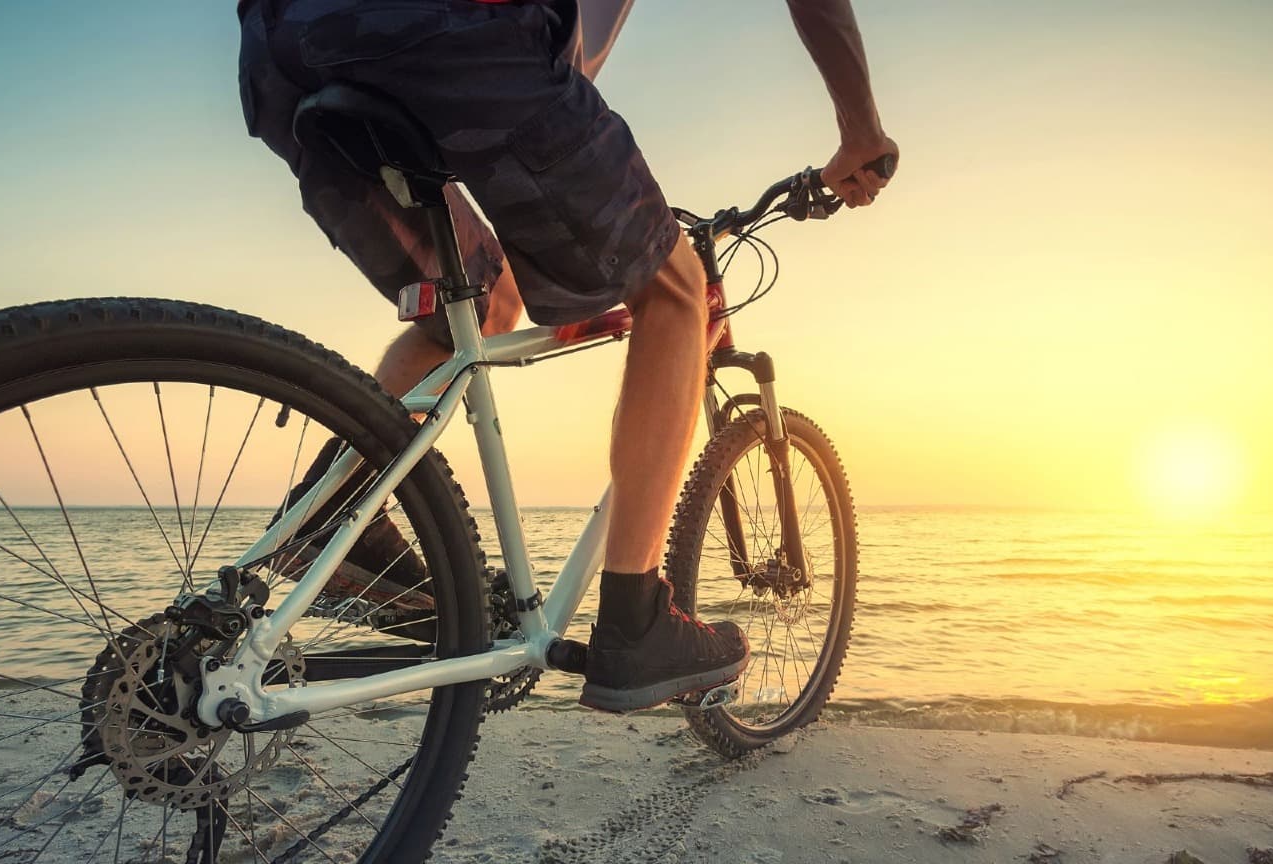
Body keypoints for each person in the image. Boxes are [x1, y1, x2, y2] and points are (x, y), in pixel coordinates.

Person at [236, 0, 896, 712]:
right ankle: (635, 620)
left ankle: (331, 514)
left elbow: (556, 90)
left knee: (481, 303)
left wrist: (567, 254)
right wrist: (861, 132)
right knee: (678, 290)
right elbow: (541, 87)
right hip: (445, 32)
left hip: (281, 53)